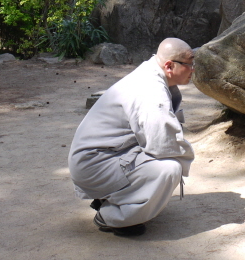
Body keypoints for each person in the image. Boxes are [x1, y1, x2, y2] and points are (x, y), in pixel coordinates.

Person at [68, 38, 196, 236]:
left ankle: (116, 196)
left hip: (102, 157)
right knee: (170, 169)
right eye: (189, 64)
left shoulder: (152, 74)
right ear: (169, 66)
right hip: (95, 164)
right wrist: (187, 155)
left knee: (164, 159)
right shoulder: (151, 90)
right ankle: (112, 216)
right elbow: (162, 144)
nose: (192, 69)